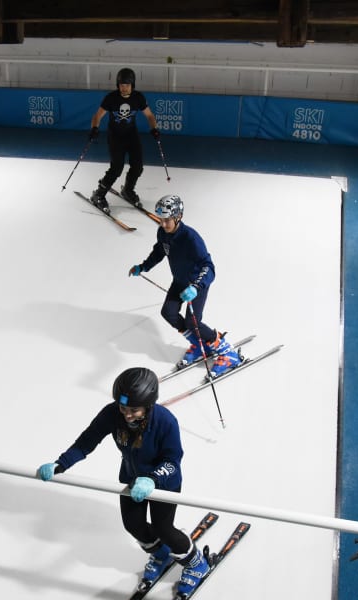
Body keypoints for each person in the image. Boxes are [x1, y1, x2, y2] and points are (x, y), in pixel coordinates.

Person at [36, 367, 210, 599]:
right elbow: (87, 441)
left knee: (163, 528)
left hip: (164, 482)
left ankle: (196, 564)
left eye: (134, 410)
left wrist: (152, 479)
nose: (127, 415)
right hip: (131, 477)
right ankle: (161, 554)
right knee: (133, 525)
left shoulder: (165, 421)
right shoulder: (111, 414)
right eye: (123, 408)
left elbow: (173, 460)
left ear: (148, 405)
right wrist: (61, 464)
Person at [128, 194, 242, 379]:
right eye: (161, 220)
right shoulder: (162, 232)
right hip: (179, 281)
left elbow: (209, 267)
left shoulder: (191, 238)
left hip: (196, 284)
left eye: (167, 220)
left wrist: (196, 287)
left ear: (178, 216)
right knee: (168, 312)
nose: (163, 224)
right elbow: (159, 251)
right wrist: (143, 267)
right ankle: (199, 344)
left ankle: (227, 351)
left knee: (192, 322)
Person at [89, 67, 160, 212]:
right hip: (115, 136)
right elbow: (97, 116)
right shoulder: (111, 98)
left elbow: (150, 116)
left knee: (138, 166)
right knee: (116, 168)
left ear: (132, 85)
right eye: (121, 85)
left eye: (127, 85)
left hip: (131, 135)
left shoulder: (138, 97)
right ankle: (99, 195)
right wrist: (94, 128)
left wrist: (154, 128)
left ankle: (128, 190)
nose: (124, 88)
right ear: (117, 85)